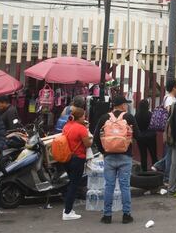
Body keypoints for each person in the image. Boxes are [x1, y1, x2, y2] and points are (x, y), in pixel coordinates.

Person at [93, 96, 136, 224]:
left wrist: (104, 150)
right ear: (122, 105)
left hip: (109, 156)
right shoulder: (129, 118)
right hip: (125, 156)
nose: (127, 106)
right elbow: (138, 135)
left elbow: (96, 137)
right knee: (125, 186)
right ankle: (126, 215)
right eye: (126, 104)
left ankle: (107, 216)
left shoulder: (104, 118)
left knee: (109, 186)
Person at [60, 106, 93, 221]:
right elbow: (88, 144)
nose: (85, 117)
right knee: (74, 185)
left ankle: (68, 209)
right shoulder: (81, 128)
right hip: (78, 158)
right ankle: (67, 212)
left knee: (71, 184)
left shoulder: (66, 126)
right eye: (84, 116)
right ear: (79, 117)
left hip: (67, 158)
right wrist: (89, 136)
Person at [152, 79, 176, 174]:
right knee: (170, 152)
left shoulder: (167, 97)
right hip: (170, 129)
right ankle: (165, 173)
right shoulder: (170, 99)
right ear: (174, 88)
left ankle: (162, 169)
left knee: (170, 152)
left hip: (169, 128)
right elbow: (170, 114)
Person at [134, 99, 158, 170]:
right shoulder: (150, 114)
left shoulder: (136, 115)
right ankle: (154, 169)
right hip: (151, 137)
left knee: (143, 155)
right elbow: (154, 125)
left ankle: (144, 170)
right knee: (153, 154)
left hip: (141, 137)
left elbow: (135, 126)